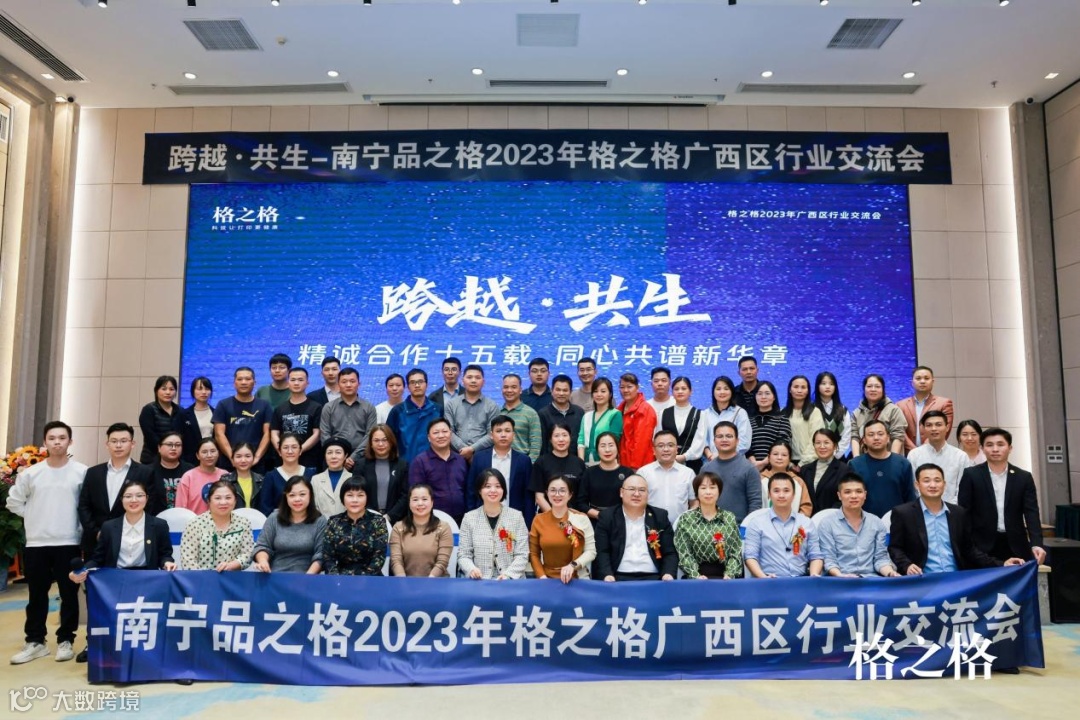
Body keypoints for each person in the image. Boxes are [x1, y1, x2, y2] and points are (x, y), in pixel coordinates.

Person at [6, 421, 87, 665]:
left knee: (69, 595)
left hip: (69, 541)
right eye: (52, 438)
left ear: (70, 441)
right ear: (45, 442)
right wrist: (33, 517)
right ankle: (35, 641)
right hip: (37, 543)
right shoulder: (31, 473)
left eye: (62, 438)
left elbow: (86, 506)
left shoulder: (81, 472)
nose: (57, 442)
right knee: (37, 594)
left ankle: (66, 640)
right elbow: (14, 502)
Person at [889, 463, 1023, 574]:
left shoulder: (958, 513)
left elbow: (969, 550)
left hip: (956, 580)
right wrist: (907, 565)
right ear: (917, 485)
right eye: (926, 481)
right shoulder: (903, 513)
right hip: (922, 580)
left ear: (944, 484)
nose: (933, 485)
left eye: (937, 480)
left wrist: (1002, 564)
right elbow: (895, 548)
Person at [957, 428, 1046, 564]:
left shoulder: (1023, 477)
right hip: (981, 546)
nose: (995, 449)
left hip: (1016, 545)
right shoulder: (971, 475)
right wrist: (968, 544)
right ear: (982, 448)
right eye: (989, 445)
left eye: (1000, 444)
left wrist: (1036, 544)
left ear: (1010, 448)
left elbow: (1031, 512)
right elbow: (964, 512)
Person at [78, 423, 163, 559]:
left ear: (132, 444)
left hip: (132, 541)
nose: (118, 445)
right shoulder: (93, 472)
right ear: (107, 444)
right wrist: (97, 532)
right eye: (114, 441)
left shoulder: (145, 472)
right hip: (96, 541)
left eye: (123, 441)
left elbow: (150, 505)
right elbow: (84, 506)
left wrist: (127, 532)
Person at [70, 478, 177, 579]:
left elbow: (165, 555)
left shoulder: (159, 525)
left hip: (147, 579)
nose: (134, 500)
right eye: (128, 496)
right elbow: (98, 558)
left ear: (147, 498)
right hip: (116, 579)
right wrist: (82, 571)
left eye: (139, 495)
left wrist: (167, 562)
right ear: (121, 499)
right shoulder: (109, 527)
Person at [594, 474, 677, 581]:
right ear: (621, 492)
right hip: (617, 577)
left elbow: (670, 552)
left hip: (654, 578)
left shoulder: (659, 516)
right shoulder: (608, 517)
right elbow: (602, 551)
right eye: (631, 489)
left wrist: (668, 573)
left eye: (642, 490)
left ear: (648, 494)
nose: (636, 494)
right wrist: (607, 574)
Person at [817, 474, 899, 577]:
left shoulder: (876, 522)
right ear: (839, 495)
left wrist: (890, 573)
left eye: (859, 491)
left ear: (865, 495)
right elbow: (829, 560)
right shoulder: (827, 524)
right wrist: (840, 575)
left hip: (870, 579)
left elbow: (880, 558)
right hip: (840, 579)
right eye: (847, 492)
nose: (854, 496)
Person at [743, 474, 824, 578]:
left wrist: (813, 574)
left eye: (786, 491)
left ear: (793, 494)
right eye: (776, 491)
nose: (781, 495)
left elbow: (816, 555)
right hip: (770, 580)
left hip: (800, 580)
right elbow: (750, 556)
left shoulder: (806, 523)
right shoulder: (757, 523)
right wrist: (763, 577)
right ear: (769, 494)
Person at [458, 469, 530, 580]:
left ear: (503, 490)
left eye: (498, 486)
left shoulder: (517, 517)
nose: (493, 490)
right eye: (487, 486)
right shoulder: (469, 518)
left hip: (511, 581)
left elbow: (523, 554)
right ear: (479, 490)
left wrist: (508, 575)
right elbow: (463, 555)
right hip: (480, 581)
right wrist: (471, 569)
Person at [465, 416, 535, 527]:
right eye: (498, 431)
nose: (503, 435)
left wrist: (528, 524)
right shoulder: (479, 458)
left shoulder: (524, 461)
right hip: (483, 518)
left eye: (507, 431)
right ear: (491, 435)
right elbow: (471, 490)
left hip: (514, 519)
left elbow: (528, 496)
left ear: (513, 435)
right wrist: (472, 518)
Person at [673, 471, 743, 579]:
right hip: (696, 577)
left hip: (726, 577)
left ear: (719, 491)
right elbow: (684, 553)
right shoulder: (686, 519)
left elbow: (736, 551)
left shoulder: (729, 517)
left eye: (712, 487)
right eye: (703, 488)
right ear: (696, 492)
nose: (708, 492)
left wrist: (730, 574)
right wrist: (696, 575)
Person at [251, 475, 326, 573]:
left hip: (307, 576)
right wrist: (263, 561)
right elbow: (262, 546)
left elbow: (321, 555)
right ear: (285, 497)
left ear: (310, 495)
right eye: (292, 495)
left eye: (302, 494)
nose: (297, 499)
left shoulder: (320, 521)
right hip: (275, 574)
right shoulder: (274, 517)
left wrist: (307, 577)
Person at [529, 476, 596, 582]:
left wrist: (573, 565)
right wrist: (542, 577)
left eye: (562, 491)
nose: (557, 494)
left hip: (577, 577)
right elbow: (534, 554)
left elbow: (591, 551)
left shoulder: (581, 518)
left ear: (570, 495)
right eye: (553, 490)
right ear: (547, 493)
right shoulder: (538, 520)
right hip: (547, 579)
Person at [179, 479, 254, 571]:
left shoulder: (244, 523)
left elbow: (248, 554)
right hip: (201, 578)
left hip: (233, 577)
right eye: (217, 498)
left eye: (228, 498)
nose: (223, 502)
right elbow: (188, 561)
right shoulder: (194, 524)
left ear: (235, 500)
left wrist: (234, 564)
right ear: (209, 500)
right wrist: (203, 578)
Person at [849, 420, 917, 518]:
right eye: (871, 435)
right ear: (864, 440)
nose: (876, 438)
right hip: (864, 522)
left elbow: (910, 498)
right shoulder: (855, 465)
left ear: (888, 438)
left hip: (898, 521)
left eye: (880, 434)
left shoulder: (903, 463)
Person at [322, 477, 388, 576]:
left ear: (367, 497)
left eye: (360, 495)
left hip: (371, 578)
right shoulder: (333, 522)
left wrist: (363, 580)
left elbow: (379, 557)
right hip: (340, 578)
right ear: (343, 498)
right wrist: (337, 580)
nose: (355, 500)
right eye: (350, 495)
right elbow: (327, 557)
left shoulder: (378, 521)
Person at [700, 421, 762, 524]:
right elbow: (700, 500)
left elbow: (755, 503)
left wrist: (747, 527)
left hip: (739, 527)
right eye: (720, 436)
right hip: (710, 527)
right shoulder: (706, 469)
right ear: (714, 441)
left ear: (737, 441)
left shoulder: (749, 468)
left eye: (729, 436)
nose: (724, 440)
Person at [212, 366, 272, 471]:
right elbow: (219, 434)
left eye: (248, 379)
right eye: (240, 379)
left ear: (254, 382)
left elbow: (268, 434)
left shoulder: (264, 405)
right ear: (234, 383)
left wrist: (257, 457)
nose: (244, 382)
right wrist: (233, 457)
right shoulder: (223, 404)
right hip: (229, 463)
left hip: (256, 464)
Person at [907, 410, 973, 504]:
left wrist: (950, 508)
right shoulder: (914, 455)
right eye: (929, 425)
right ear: (923, 428)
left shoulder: (960, 456)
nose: (934, 428)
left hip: (953, 509)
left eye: (938, 424)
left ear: (947, 427)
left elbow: (963, 489)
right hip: (922, 509)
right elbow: (913, 488)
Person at [409, 418, 468, 523]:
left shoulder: (460, 460)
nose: (441, 436)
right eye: (436, 433)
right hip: (432, 521)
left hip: (462, 520)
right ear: (429, 437)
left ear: (450, 434)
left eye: (444, 431)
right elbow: (416, 495)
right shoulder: (420, 462)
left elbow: (466, 490)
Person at [318, 367, 377, 469]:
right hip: (334, 459)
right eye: (344, 382)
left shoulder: (369, 407)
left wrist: (353, 457)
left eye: (352, 381)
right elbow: (325, 434)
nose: (348, 385)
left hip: (361, 458)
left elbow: (370, 435)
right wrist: (337, 455)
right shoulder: (329, 407)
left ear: (359, 384)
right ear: (338, 385)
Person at [389, 484, 453, 577]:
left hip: (436, 581)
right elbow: (396, 560)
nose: (420, 503)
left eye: (424, 499)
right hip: (405, 582)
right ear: (409, 503)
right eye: (415, 499)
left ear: (432, 502)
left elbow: (442, 562)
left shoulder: (443, 527)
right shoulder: (398, 527)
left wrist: (429, 581)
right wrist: (402, 582)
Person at [350, 424, 410, 523]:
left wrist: (390, 516)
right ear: (371, 443)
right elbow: (356, 492)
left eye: (385, 440)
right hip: (366, 519)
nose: (380, 444)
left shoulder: (402, 465)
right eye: (376, 440)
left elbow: (405, 495)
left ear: (391, 442)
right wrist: (372, 516)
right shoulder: (361, 465)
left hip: (396, 521)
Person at [637, 430, 696, 525]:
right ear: (654, 450)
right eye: (661, 446)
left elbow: (694, 502)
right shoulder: (643, 473)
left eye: (670, 445)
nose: (666, 449)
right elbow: (637, 501)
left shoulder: (688, 473)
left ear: (676, 449)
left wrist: (689, 522)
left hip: (681, 527)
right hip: (651, 527)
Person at [443, 364, 499, 462]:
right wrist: (464, 450)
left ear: (483, 382)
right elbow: (448, 431)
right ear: (463, 381)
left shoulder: (492, 406)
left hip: (483, 457)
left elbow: (492, 434)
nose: (473, 380)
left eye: (477, 378)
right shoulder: (451, 405)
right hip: (456, 457)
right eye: (469, 377)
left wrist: (472, 449)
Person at [270, 367, 323, 470]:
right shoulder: (280, 409)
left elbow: (317, 434)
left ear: (307, 383)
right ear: (288, 383)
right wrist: (283, 450)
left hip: (308, 461)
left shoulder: (316, 407)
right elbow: (274, 433)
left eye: (300, 380)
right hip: (284, 461)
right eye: (293, 380)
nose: (296, 383)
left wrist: (299, 450)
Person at [575, 432, 635, 522]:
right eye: (603, 446)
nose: (607, 450)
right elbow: (581, 503)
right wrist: (599, 515)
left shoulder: (627, 473)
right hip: (596, 520)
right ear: (597, 450)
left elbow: (633, 500)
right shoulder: (589, 473)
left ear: (617, 448)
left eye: (611, 445)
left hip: (622, 520)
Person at [387, 368, 442, 463]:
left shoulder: (437, 409)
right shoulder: (398, 411)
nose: (417, 385)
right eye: (412, 382)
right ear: (408, 387)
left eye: (420, 382)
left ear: (427, 385)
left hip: (434, 464)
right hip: (405, 466)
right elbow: (389, 440)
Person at [531, 423, 586, 513]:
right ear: (550, 439)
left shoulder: (579, 463)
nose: (561, 439)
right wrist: (555, 516)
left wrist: (573, 516)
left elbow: (582, 497)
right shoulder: (541, 462)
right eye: (556, 436)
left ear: (570, 437)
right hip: (548, 515)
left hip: (574, 516)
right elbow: (539, 497)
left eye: (564, 435)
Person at [897, 365, 955, 452]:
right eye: (918, 378)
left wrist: (923, 451)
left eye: (926, 378)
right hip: (908, 454)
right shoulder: (900, 405)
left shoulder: (944, 403)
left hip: (934, 451)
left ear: (932, 381)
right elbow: (900, 431)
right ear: (912, 382)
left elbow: (944, 430)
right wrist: (914, 452)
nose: (922, 381)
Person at [259, 432, 317, 517]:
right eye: (285, 447)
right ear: (279, 451)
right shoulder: (271, 476)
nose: (290, 451)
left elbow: (315, 503)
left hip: (307, 521)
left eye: (294, 447)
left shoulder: (311, 474)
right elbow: (265, 508)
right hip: (278, 522)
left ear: (300, 451)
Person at [659, 376, 707, 472]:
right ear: (672, 392)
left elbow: (700, 441)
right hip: (667, 463)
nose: (680, 391)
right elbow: (658, 438)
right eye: (676, 389)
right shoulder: (663, 413)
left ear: (691, 391)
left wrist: (685, 456)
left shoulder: (700, 414)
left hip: (692, 464)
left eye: (684, 388)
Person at [851, 374, 906, 456]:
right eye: (869, 386)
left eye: (877, 386)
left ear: (883, 390)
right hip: (864, 460)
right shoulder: (856, 413)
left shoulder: (893, 410)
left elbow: (898, 437)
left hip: (887, 459)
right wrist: (856, 459)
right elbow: (854, 437)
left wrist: (893, 459)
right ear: (864, 389)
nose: (873, 389)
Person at [799, 429, 851, 514]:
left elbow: (845, 498)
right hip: (807, 518)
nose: (822, 446)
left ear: (834, 446)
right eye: (818, 443)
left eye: (826, 443)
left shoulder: (844, 470)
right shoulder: (805, 470)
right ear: (814, 445)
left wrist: (826, 516)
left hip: (833, 518)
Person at [702, 376, 752, 459]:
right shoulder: (705, 414)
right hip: (710, 461)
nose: (722, 392)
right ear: (713, 392)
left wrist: (723, 456)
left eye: (726, 389)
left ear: (732, 391)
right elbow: (701, 439)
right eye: (718, 389)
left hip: (734, 461)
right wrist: (709, 455)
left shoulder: (740, 413)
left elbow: (744, 442)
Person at [138, 375, 184, 464]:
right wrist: (165, 450)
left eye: (171, 389)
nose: (168, 392)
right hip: (152, 458)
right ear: (156, 391)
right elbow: (150, 436)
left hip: (175, 458)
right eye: (164, 389)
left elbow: (182, 435)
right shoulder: (149, 409)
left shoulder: (180, 410)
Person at [747, 381, 792, 471]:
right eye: (759, 394)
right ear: (755, 397)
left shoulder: (782, 419)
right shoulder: (748, 419)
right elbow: (745, 443)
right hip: (751, 467)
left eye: (767, 393)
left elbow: (782, 444)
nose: (763, 397)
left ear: (774, 397)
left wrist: (764, 463)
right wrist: (754, 462)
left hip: (774, 468)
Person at [577, 377, 623, 465]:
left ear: (610, 394)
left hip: (607, 462)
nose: (599, 394)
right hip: (586, 462)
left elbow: (614, 440)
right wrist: (581, 463)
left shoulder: (615, 414)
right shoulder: (586, 416)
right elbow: (581, 441)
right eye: (595, 391)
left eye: (603, 391)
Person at [760, 441, 813, 517]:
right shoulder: (759, 479)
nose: (779, 458)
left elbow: (806, 506)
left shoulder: (798, 481)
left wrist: (797, 521)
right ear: (769, 457)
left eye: (784, 455)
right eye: (775, 454)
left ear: (789, 459)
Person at [175, 437, 227, 514]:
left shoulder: (225, 475)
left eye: (213, 451)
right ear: (197, 455)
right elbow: (180, 509)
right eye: (204, 452)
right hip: (194, 521)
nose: (209, 455)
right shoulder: (188, 477)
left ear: (218, 453)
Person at [537, 374, 584, 457]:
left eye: (565, 390)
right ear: (552, 391)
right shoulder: (543, 414)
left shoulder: (579, 412)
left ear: (571, 392)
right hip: (551, 460)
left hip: (575, 460)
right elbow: (542, 443)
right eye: (558, 390)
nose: (561, 393)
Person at [783, 375, 825, 467]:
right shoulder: (783, 412)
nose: (799, 390)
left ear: (808, 391)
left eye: (803, 387)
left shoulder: (815, 412)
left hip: (810, 461)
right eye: (796, 387)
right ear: (790, 389)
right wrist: (790, 464)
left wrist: (802, 463)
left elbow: (816, 439)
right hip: (787, 462)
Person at [617, 373, 657, 469]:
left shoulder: (644, 409)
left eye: (629, 387)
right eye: (622, 387)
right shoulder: (619, 409)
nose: (625, 390)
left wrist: (634, 467)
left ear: (637, 388)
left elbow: (641, 442)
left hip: (639, 465)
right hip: (623, 462)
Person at [499, 373, 542, 461]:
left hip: (522, 462)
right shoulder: (496, 412)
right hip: (499, 461)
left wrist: (528, 464)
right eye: (506, 387)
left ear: (520, 390)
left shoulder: (531, 413)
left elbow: (536, 445)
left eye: (514, 387)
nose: (509, 390)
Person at [813, 371, 853, 459]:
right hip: (815, 458)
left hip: (838, 458)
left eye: (831, 384)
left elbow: (846, 436)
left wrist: (834, 455)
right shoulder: (811, 409)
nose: (827, 387)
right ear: (817, 386)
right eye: (823, 383)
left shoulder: (843, 410)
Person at [311, 438, 353, 517]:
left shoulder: (352, 478)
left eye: (338, 452)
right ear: (325, 456)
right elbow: (313, 506)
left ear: (345, 455)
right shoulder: (315, 479)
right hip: (322, 523)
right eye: (329, 453)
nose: (333, 456)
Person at [152, 431, 193, 509]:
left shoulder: (190, 470)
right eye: (169, 445)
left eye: (178, 445)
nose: (174, 448)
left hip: (185, 514)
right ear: (159, 448)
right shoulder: (149, 471)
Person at [180, 376, 214, 465]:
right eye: (199, 389)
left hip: (212, 459)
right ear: (193, 391)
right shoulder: (184, 414)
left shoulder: (216, 413)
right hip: (190, 461)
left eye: (207, 389)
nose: (204, 392)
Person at [221, 442, 264, 510]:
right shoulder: (225, 480)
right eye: (238, 456)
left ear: (253, 458)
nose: (243, 460)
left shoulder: (262, 480)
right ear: (232, 459)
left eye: (247, 456)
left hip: (257, 516)